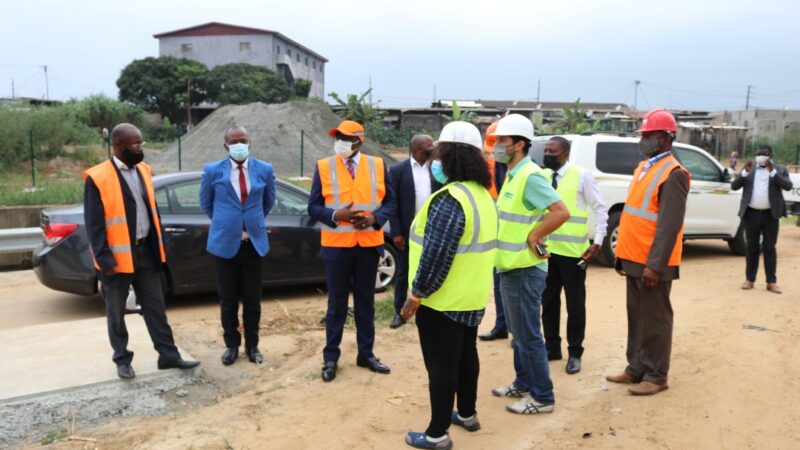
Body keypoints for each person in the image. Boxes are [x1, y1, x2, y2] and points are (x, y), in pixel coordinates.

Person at [399, 121, 497, 450]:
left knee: (442, 365)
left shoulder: (450, 198)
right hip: (471, 294)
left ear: (450, 154)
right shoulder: (482, 195)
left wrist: (416, 295)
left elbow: (437, 255)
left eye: (439, 151)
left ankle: (437, 433)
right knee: (466, 355)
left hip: (442, 300)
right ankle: (467, 414)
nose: (434, 159)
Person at [83, 123, 199, 379]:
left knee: (155, 307)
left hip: (146, 252)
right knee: (116, 313)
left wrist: (158, 246)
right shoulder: (97, 177)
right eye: (135, 143)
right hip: (116, 259)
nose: (140, 147)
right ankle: (122, 360)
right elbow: (94, 224)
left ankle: (168, 355)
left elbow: (151, 211)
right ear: (118, 146)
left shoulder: (144, 170)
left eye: (141, 142)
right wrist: (104, 259)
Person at [606, 108, 690, 396]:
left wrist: (655, 265)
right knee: (637, 316)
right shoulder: (643, 168)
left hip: (654, 262)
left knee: (655, 319)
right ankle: (636, 368)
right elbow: (632, 216)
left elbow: (669, 226)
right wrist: (621, 256)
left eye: (648, 135)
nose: (643, 140)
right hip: (633, 257)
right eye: (642, 135)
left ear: (666, 139)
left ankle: (656, 375)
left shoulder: (674, 173)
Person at [491, 114, 569, 415]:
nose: (497, 146)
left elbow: (560, 211)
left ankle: (542, 397)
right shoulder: (513, 174)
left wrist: (536, 234)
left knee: (528, 334)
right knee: (518, 332)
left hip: (524, 269)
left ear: (520, 144)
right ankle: (523, 382)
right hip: (510, 266)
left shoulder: (531, 176)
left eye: (502, 141)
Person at [308, 120, 397, 382]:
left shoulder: (378, 165)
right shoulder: (324, 166)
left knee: (365, 304)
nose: (340, 142)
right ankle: (330, 358)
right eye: (337, 137)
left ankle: (366, 354)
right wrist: (337, 214)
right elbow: (313, 206)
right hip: (337, 247)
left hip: (369, 245)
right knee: (336, 304)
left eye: (345, 138)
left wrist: (375, 219)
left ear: (359, 140)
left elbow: (390, 201)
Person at [199, 125, 276, 365]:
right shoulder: (213, 171)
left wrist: (250, 222)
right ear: (226, 145)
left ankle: (253, 347)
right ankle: (231, 345)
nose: (239, 145)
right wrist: (227, 223)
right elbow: (206, 203)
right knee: (228, 300)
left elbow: (268, 202)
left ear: (249, 142)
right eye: (234, 141)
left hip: (253, 244)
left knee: (253, 300)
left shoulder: (264, 169)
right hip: (224, 246)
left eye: (243, 140)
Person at [540, 136, 609, 374]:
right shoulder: (544, 177)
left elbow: (600, 208)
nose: (548, 154)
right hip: (548, 253)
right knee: (548, 302)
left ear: (566, 153)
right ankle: (552, 347)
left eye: (553, 151)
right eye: (546, 150)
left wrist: (598, 242)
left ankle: (575, 352)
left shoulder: (582, 176)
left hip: (574, 254)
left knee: (575, 305)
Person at [388, 134, 440, 329]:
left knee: (430, 270)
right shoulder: (398, 171)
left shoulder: (436, 170)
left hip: (432, 231)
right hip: (408, 232)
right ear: (418, 149)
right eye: (429, 146)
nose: (433, 149)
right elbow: (392, 204)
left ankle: (427, 312)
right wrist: (396, 232)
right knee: (403, 273)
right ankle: (399, 313)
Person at [731, 144, 793, 294]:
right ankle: (749, 279)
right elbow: (734, 186)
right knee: (751, 247)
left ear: (770, 156)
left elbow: (788, 186)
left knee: (769, 248)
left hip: (770, 215)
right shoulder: (750, 168)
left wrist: (773, 173)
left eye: (764, 154)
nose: (760, 156)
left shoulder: (780, 169)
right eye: (758, 153)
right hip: (751, 214)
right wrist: (744, 172)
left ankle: (771, 282)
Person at [478, 121, 510, 342]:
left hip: (517, 238)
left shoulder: (524, 169)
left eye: (500, 141)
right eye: (493, 142)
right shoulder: (489, 163)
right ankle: (501, 325)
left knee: (517, 288)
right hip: (495, 233)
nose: (495, 147)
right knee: (499, 283)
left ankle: (517, 331)